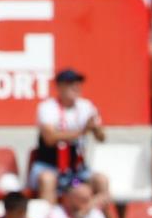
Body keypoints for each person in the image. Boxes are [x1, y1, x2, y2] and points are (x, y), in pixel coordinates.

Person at [30, 69, 105, 203]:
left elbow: (102, 138)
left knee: (101, 181)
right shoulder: (47, 108)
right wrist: (82, 132)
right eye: (70, 83)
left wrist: (95, 128)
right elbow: (50, 138)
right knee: (48, 180)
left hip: (76, 170)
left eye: (78, 83)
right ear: (59, 87)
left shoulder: (86, 106)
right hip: (50, 166)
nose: (76, 87)